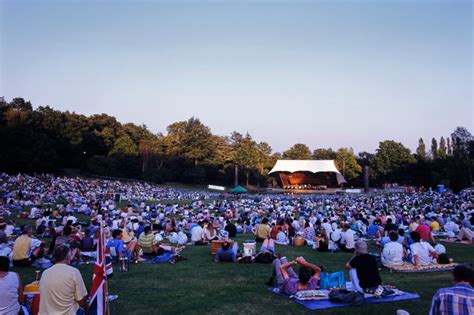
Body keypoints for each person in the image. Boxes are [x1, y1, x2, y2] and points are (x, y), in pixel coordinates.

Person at [39, 245, 89, 315]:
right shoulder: (73, 272)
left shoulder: (45, 273)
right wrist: (87, 309)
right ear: (68, 257)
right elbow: (81, 299)